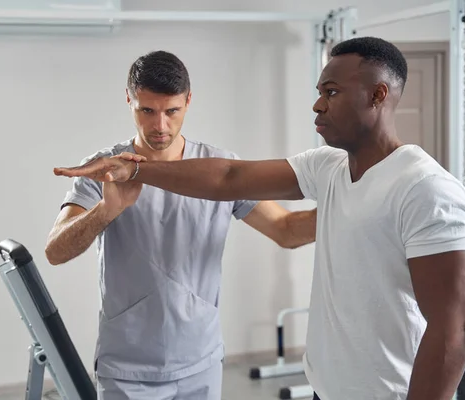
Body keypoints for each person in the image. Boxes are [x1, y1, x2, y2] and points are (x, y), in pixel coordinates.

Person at [54, 37, 465, 400]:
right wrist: (121, 190)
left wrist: (139, 171)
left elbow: (455, 332)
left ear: (378, 95)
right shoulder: (330, 168)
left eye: (330, 92)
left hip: (364, 386)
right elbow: (229, 177)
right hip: (311, 385)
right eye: (147, 111)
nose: (317, 104)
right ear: (130, 102)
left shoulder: (425, 189)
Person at [45, 50, 317, 400]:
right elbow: (55, 251)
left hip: (199, 362)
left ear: (188, 101)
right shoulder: (104, 170)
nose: (160, 126)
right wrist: (105, 210)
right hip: (126, 367)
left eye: (171, 111)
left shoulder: (220, 170)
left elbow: (286, 229)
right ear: (129, 100)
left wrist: (352, 209)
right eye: (147, 111)